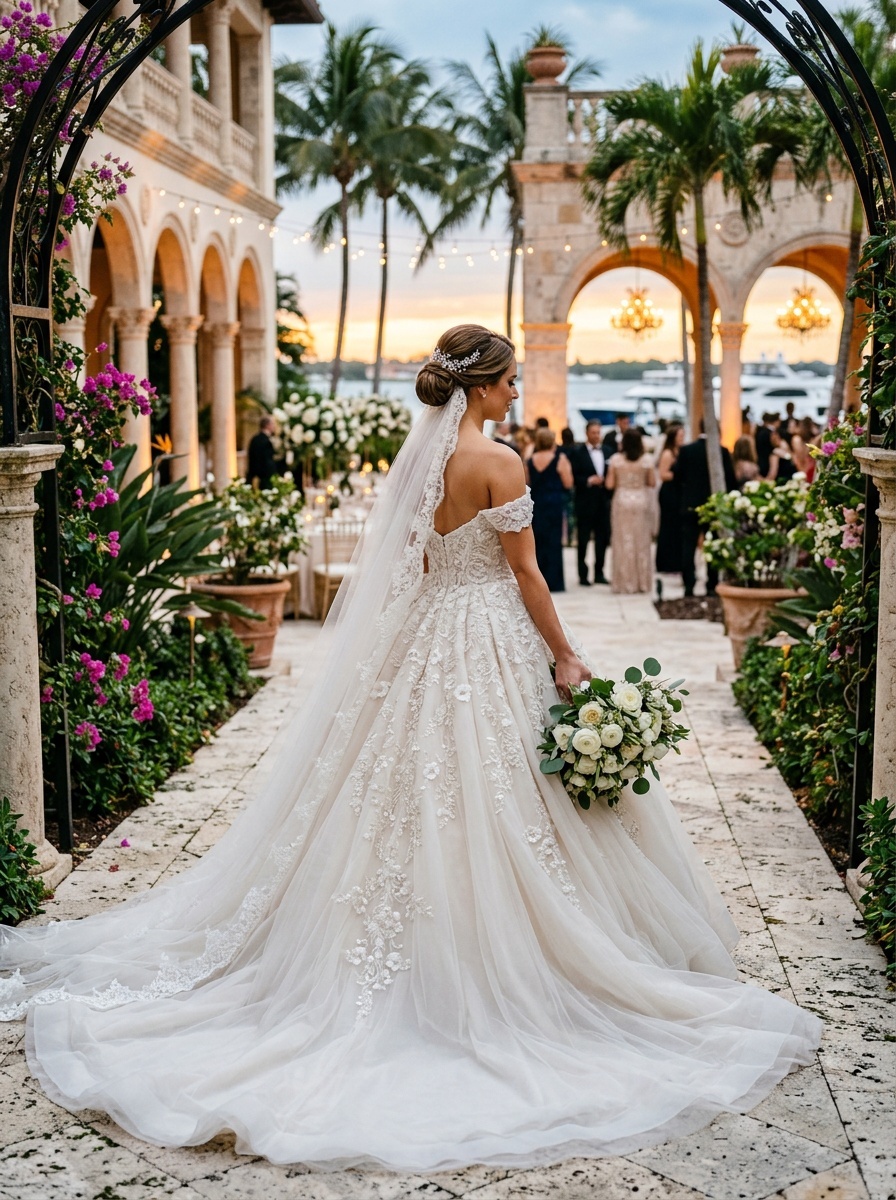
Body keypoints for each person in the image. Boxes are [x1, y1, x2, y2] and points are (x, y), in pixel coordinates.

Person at [1, 324, 821, 1169]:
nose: (514, 394)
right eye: (509, 382)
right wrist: (566, 655)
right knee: (498, 786)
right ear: (484, 385)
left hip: (431, 634)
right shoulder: (498, 462)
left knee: (400, 790)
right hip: (492, 635)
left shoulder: (422, 467)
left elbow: (417, 570)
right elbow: (527, 575)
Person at [674, 424, 737, 597]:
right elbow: (730, 480)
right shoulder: (721, 451)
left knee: (689, 546)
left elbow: (678, 475)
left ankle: (689, 584)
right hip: (713, 505)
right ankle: (712, 583)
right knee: (713, 545)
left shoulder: (687, 450)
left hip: (690, 505)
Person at [606, 428, 656, 594]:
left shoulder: (616, 460)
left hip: (622, 501)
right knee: (641, 541)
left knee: (623, 541)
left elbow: (609, 485)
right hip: (641, 501)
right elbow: (652, 482)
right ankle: (642, 583)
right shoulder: (646, 460)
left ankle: (624, 583)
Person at [526, 427, 573, 592]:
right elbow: (568, 483)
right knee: (554, 542)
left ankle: (540, 581)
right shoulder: (560, 459)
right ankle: (554, 582)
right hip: (554, 504)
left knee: (538, 542)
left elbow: (527, 482)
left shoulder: (530, 460)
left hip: (537, 504)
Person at [568, 420, 611, 586]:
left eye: (598, 432)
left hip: (602, 501)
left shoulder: (608, 451)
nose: (596, 436)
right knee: (584, 539)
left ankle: (599, 572)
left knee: (602, 538)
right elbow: (573, 476)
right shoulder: (577, 452)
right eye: (593, 432)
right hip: (585, 501)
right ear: (587, 433)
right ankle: (583, 574)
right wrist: (588, 480)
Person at [655, 423, 685, 574]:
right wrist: (678, 476)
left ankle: (676, 561)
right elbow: (662, 474)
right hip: (669, 492)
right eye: (680, 436)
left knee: (676, 527)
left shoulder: (680, 452)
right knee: (668, 526)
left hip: (678, 492)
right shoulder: (668, 454)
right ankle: (665, 562)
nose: (682, 438)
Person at [246, 414, 281, 490]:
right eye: (273, 424)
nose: (274, 426)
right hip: (264, 479)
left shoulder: (255, 439)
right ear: (268, 425)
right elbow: (267, 463)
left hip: (253, 476)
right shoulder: (266, 442)